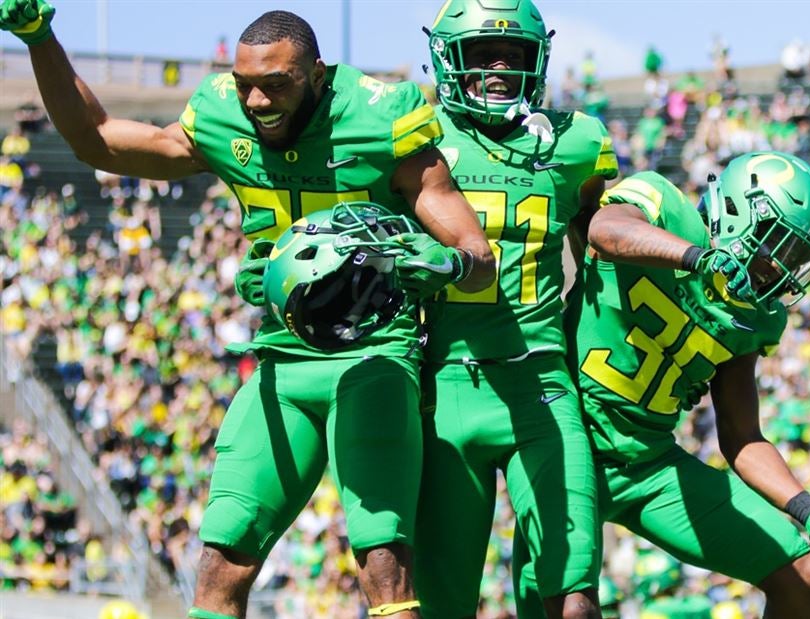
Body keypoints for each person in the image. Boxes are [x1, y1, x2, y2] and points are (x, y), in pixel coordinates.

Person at [0, 3, 495, 618]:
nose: (256, 102)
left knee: (383, 567)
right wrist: (39, 37)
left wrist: (439, 262)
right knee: (220, 565)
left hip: (373, 357)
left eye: (276, 85)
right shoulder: (219, 114)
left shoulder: (380, 116)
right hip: (281, 364)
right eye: (245, 85)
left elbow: (477, 254)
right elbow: (95, 139)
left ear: (317, 74)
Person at [519, 152, 810, 615]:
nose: (782, 270)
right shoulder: (664, 204)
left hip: (647, 463)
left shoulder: (755, 313)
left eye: (799, 259)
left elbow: (742, 436)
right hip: (565, 444)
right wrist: (696, 259)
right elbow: (604, 230)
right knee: (573, 610)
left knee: (802, 572)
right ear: (737, 211)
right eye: (780, 247)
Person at [415, 0, 617, 616]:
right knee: (441, 606)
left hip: (542, 385)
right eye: (482, 53)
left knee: (574, 599)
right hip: (445, 385)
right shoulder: (415, 139)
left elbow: (599, 253)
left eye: (515, 54)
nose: (500, 66)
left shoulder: (577, 142)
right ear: (450, 59)